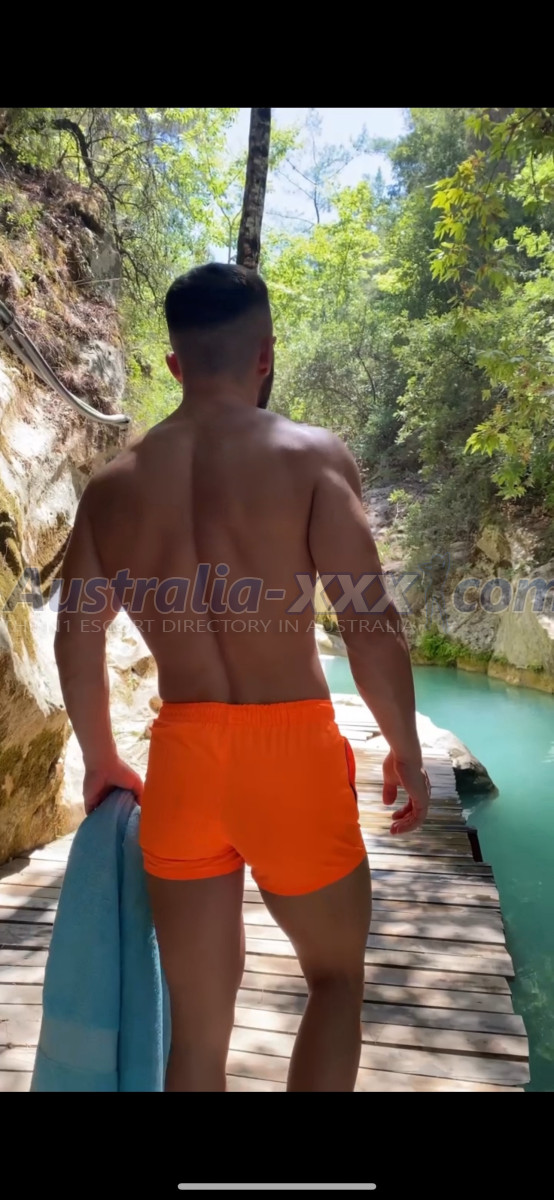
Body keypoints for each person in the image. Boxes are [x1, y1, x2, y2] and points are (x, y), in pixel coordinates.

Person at [54, 263, 430, 1093]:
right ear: (265, 354)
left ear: (174, 364)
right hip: (291, 754)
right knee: (335, 981)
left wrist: (101, 758)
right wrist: (403, 746)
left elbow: (76, 637)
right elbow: (370, 625)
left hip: (184, 762)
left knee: (196, 1034)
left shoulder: (113, 487)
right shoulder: (310, 456)